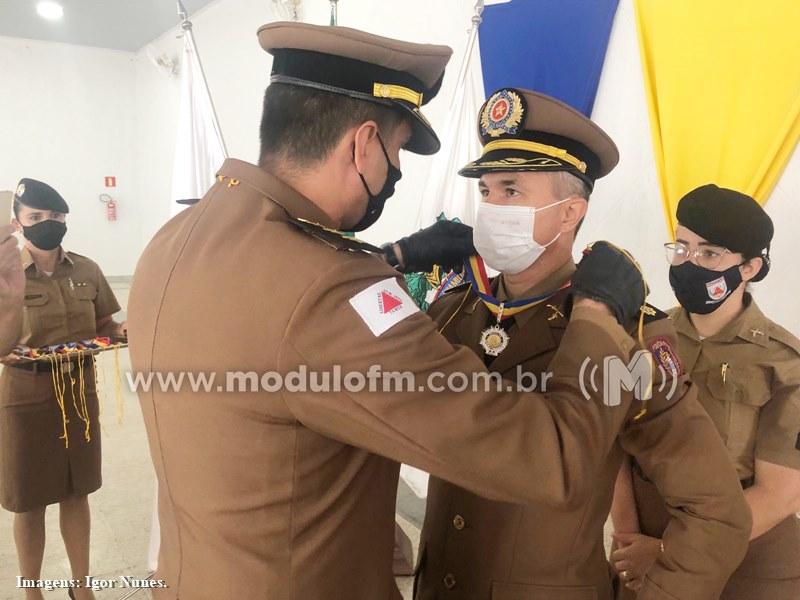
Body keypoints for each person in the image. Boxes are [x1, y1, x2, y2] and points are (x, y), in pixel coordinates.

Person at [127, 22, 668, 600]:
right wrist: (594, 314)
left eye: (511, 191)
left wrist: (391, 257)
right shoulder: (332, 292)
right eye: (397, 151)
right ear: (362, 144)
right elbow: (551, 458)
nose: (395, 174)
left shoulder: (175, 239)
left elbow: (280, 306)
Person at [412, 89, 751, 600]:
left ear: (570, 213)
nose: (489, 208)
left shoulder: (625, 333)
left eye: (510, 191)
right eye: (484, 192)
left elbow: (715, 511)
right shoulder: (456, 309)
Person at [609, 184, 800, 599]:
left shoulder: (786, 363)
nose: (688, 263)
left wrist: (667, 552)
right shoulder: (639, 337)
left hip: (743, 558)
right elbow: (614, 447)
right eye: (680, 248)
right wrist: (627, 537)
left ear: (748, 268)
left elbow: (781, 493)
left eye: (709, 254)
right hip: (640, 543)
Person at [0, 179, 125, 600]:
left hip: (78, 396)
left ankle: (81, 587)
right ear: (18, 222)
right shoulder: (5, 275)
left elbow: (106, 326)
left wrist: (126, 332)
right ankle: (32, 591)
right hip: (26, 399)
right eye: (36, 217)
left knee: (78, 491)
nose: (46, 224)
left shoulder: (87, 270)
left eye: (54, 217)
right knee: (29, 501)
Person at [0, 223, 24, 355]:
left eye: (55, 215)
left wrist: (12, 301)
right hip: (24, 373)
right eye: (35, 217)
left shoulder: (12, 268)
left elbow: (2, 348)